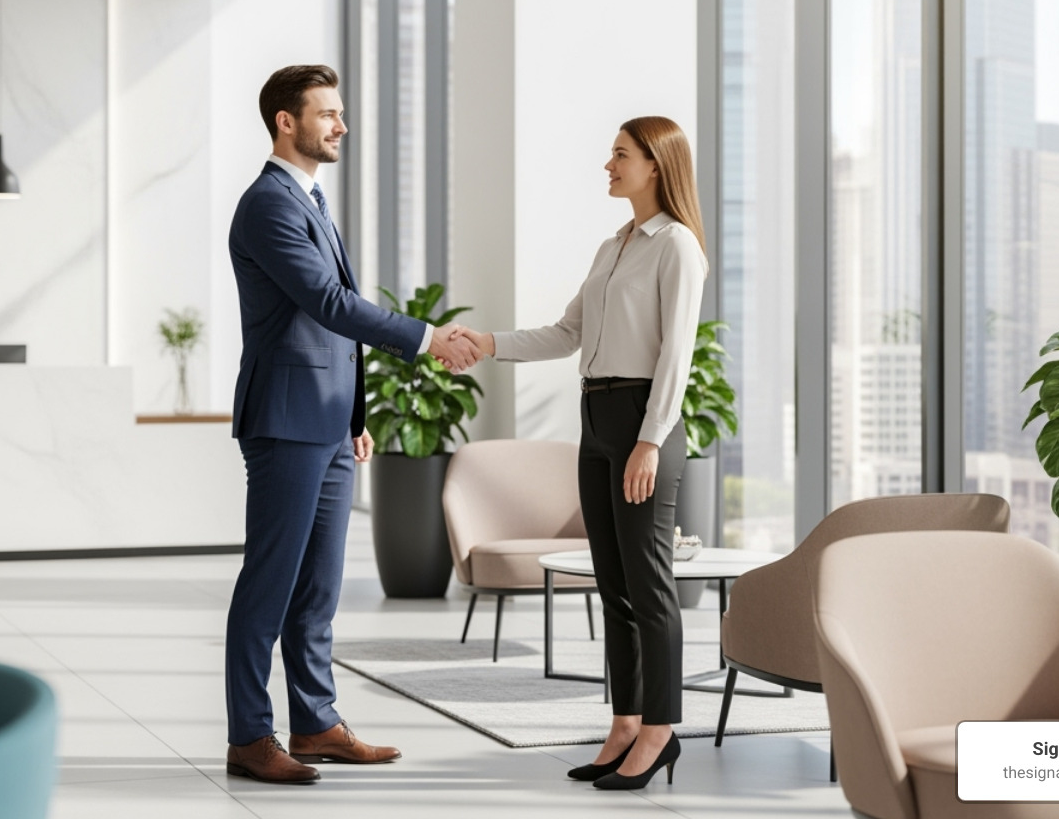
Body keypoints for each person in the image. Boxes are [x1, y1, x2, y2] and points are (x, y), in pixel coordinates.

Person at [224, 64, 481, 785]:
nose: (341, 126)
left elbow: (329, 327)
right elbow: (328, 304)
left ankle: (314, 723)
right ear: (287, 122)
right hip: (286, 421)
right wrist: (427, 338)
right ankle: (250, 736)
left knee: (318, 588)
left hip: (331, 424)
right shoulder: (268, 204)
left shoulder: (308, 197)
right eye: (328, 114)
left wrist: (356, 416)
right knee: (269, 584)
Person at [456, 117, 706, 791]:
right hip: (596, 416)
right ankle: (625, 722)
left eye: (621, 155)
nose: (608, 165)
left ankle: (661, 730)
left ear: (656, 166)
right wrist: (487, 343)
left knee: (650, 588)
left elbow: (677, 357)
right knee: (613, 585)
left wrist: (650, 440)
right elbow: (569, 332)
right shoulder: (613, 245)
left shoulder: (676, 247)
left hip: (641, 419)